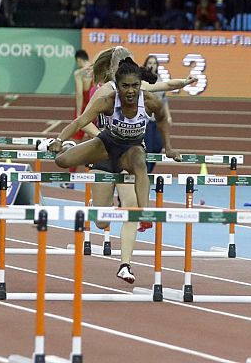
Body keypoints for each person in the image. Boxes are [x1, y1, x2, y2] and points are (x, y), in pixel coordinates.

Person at [76, 46, 195, 283]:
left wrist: (185, 81)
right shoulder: (102, 92)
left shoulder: (136, 88)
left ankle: (125, 265)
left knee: (131, 208)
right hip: (103, 154)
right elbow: (82, 123)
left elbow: (165, 86)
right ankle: (97, 204)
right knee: (102, 220)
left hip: (128, 154)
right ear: (112, 68)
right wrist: (103, 136)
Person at [61, 49, 92, 189]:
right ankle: (98, 179)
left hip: (83, 109)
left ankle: (70, 180)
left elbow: (79, 94)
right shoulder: (94, 69)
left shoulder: (78, 73)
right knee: (97, 144)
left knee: (74, 145)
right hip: (95, 109)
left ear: (79, 60)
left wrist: (79, 115)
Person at [142, 55, 172, 173]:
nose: (152, 65)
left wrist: (168, 115)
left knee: (158, 145)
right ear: (145, 64)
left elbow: (163, 100)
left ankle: (149, 170)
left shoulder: (160, 80)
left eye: (154, 63)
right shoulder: (142, 81)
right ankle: (146, 172)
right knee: (148, 147)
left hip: (157, 119)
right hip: (146, 119)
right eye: (149, 62)